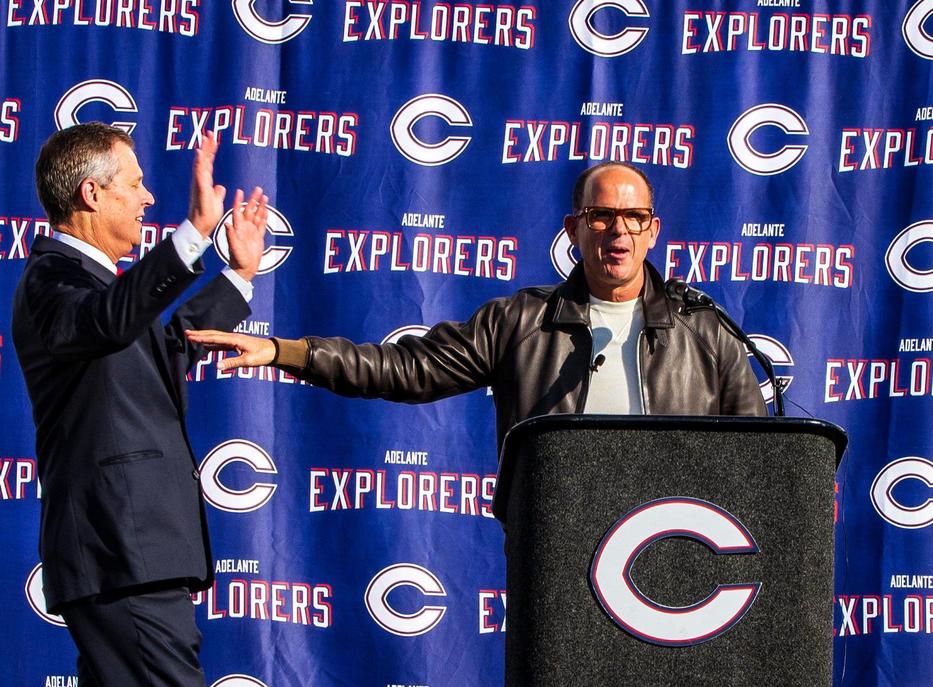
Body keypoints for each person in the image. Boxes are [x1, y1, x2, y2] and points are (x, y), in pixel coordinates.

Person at [188, 162, 765, 452]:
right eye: (601, 217)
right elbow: (404, 369)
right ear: (574, 229)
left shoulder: (706, 332)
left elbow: (758, 457)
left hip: (679, 547)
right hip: (558, 547)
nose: (618, 231)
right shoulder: (520, 323)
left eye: (633, 218)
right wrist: (285, 350)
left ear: (653, 231)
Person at [11, 123, 269, 686]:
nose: (149, 197)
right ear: (93, 194)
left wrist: (241, 275)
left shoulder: (99, 288)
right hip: (120, 553)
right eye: (137, 183)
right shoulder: (53, 279)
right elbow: (110, 322)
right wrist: (195, 231)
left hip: (136, 556)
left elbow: (166, 350)